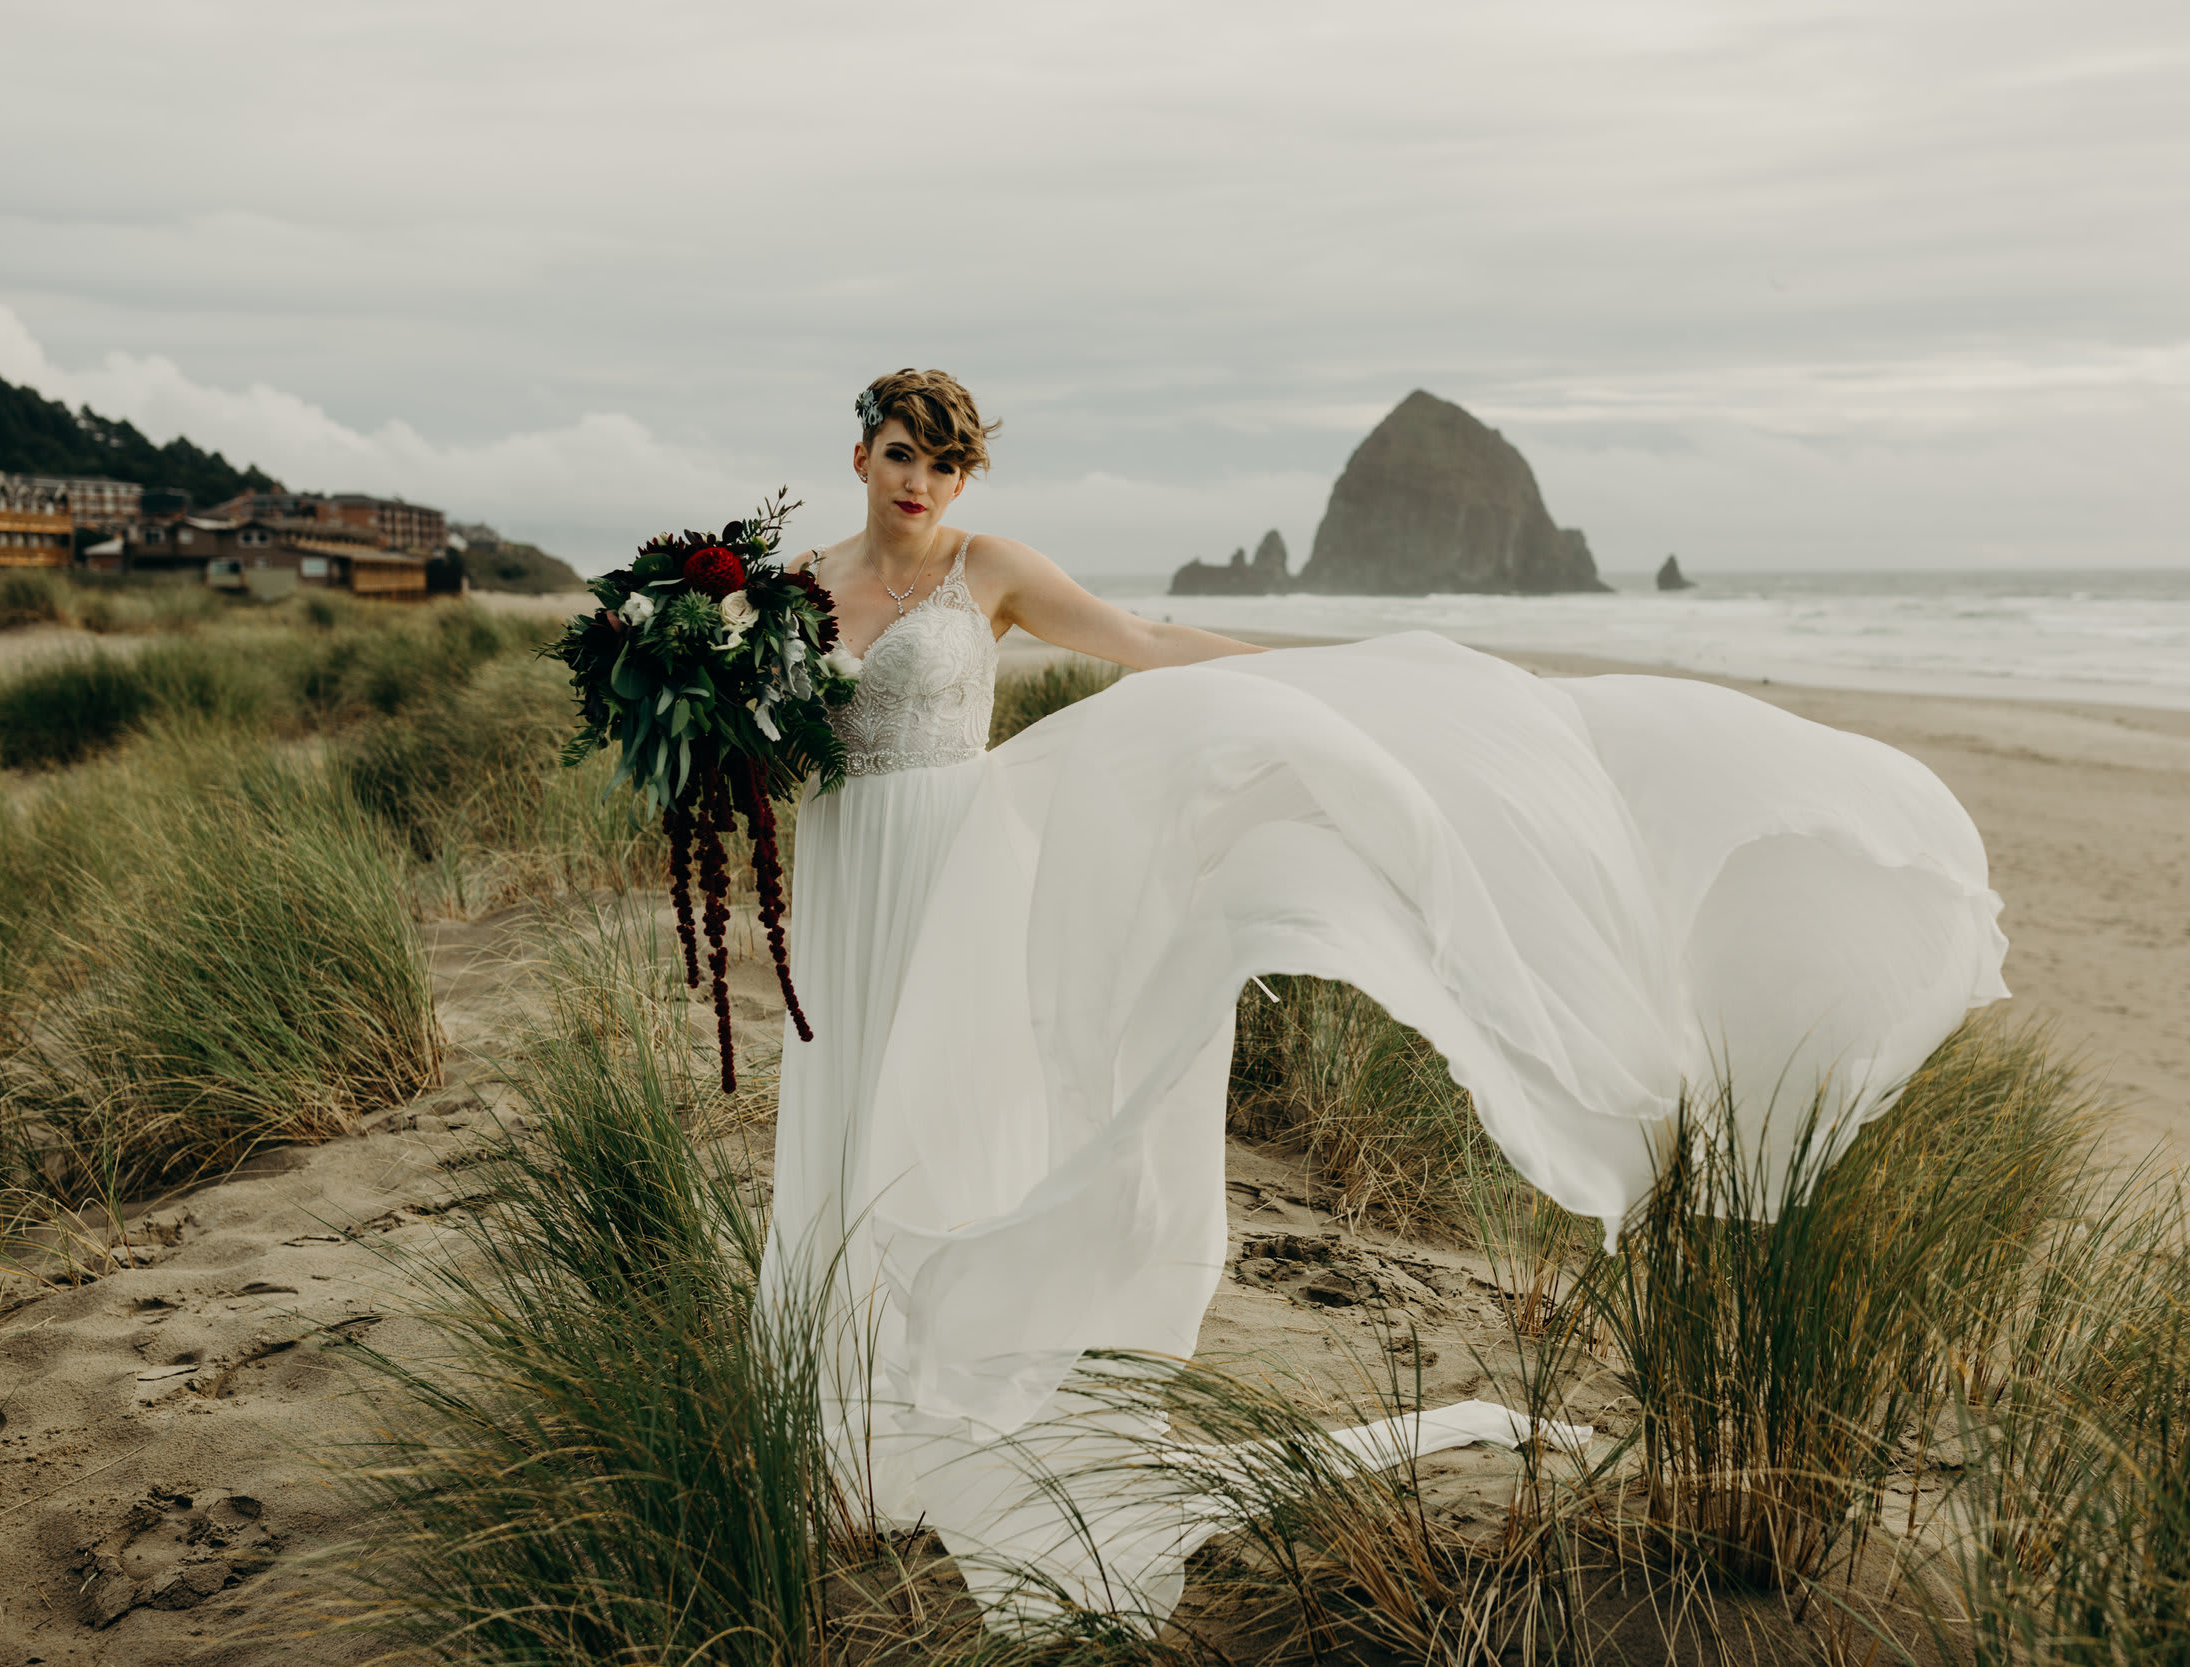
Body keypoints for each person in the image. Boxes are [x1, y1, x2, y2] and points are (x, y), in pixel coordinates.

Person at [763, 368, 2009, 1626]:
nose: (919, 478)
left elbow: (1145, 645)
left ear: (964, 477)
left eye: (943, 461)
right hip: (839, 872)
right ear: (859, 453)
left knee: (943, 1105)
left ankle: (941, 1378)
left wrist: (1313, 686)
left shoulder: (993, 571)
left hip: (955, 869)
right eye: (901, 453)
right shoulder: (789, 589)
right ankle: (828, 1400)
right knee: (843, 1098)